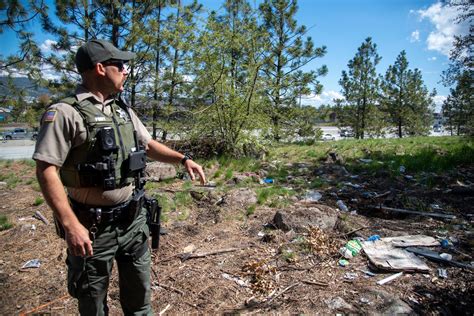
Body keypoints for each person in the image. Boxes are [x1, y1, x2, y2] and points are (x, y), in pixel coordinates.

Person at [33, 39, 206, 315]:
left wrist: (183, 159)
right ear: (100, 68)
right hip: (91, 229)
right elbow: (46, 169)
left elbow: (148, 145)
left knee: (140, 304)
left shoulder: (122, 109)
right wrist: (71, 225)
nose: (126, 71)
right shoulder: (66, 113)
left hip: (132, 223)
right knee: (93, 306)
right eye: (121, 65)